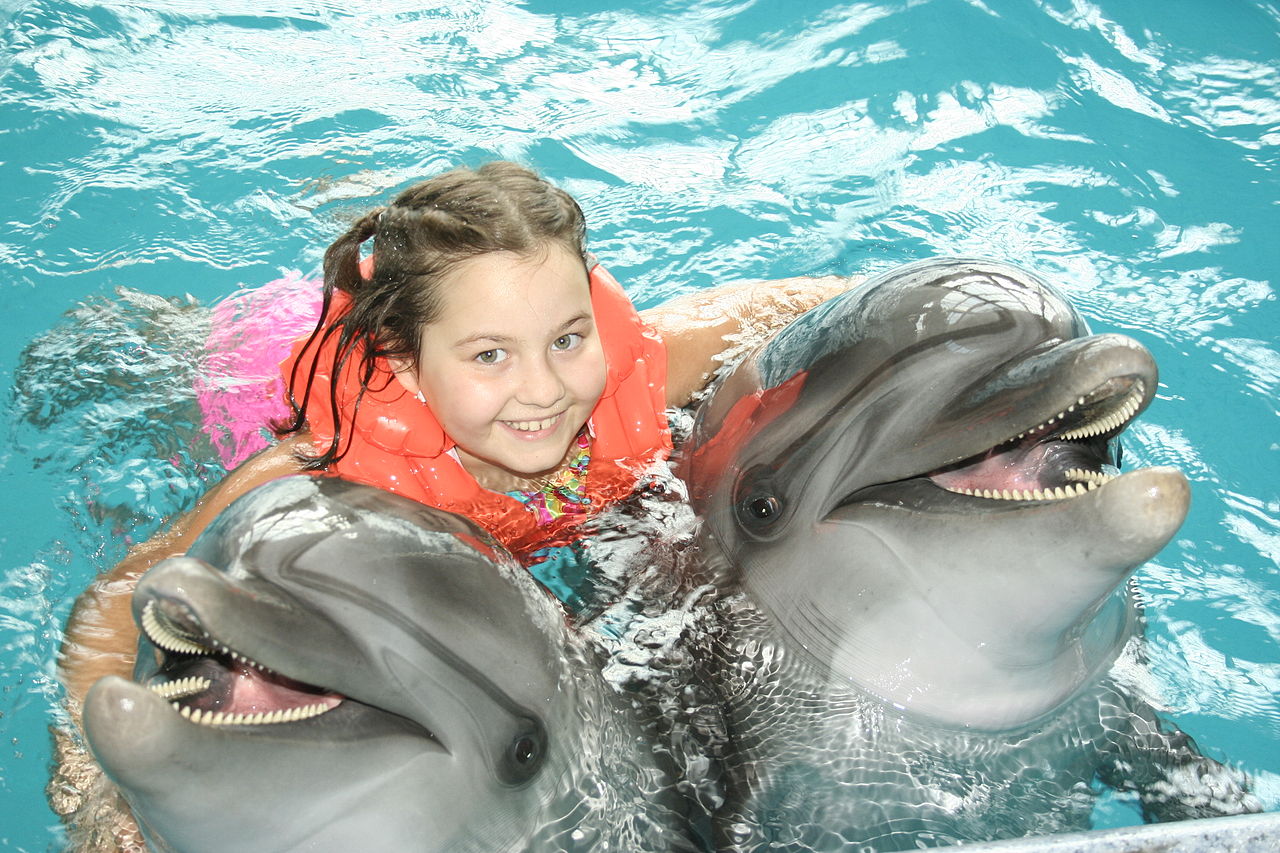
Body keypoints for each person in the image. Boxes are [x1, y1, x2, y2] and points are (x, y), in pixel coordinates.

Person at [57, 161, 852, 716]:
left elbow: (785, 304)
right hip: (253, 367)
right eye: (491, 355)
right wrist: (100, 792)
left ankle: (358, 205)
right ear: (406, 368)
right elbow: (119, 604)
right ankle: (149, 322)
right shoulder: (326, 475)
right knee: (150, 352)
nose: (544, 389)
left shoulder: (627, 367)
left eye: (568, 338)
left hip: (421, 312)